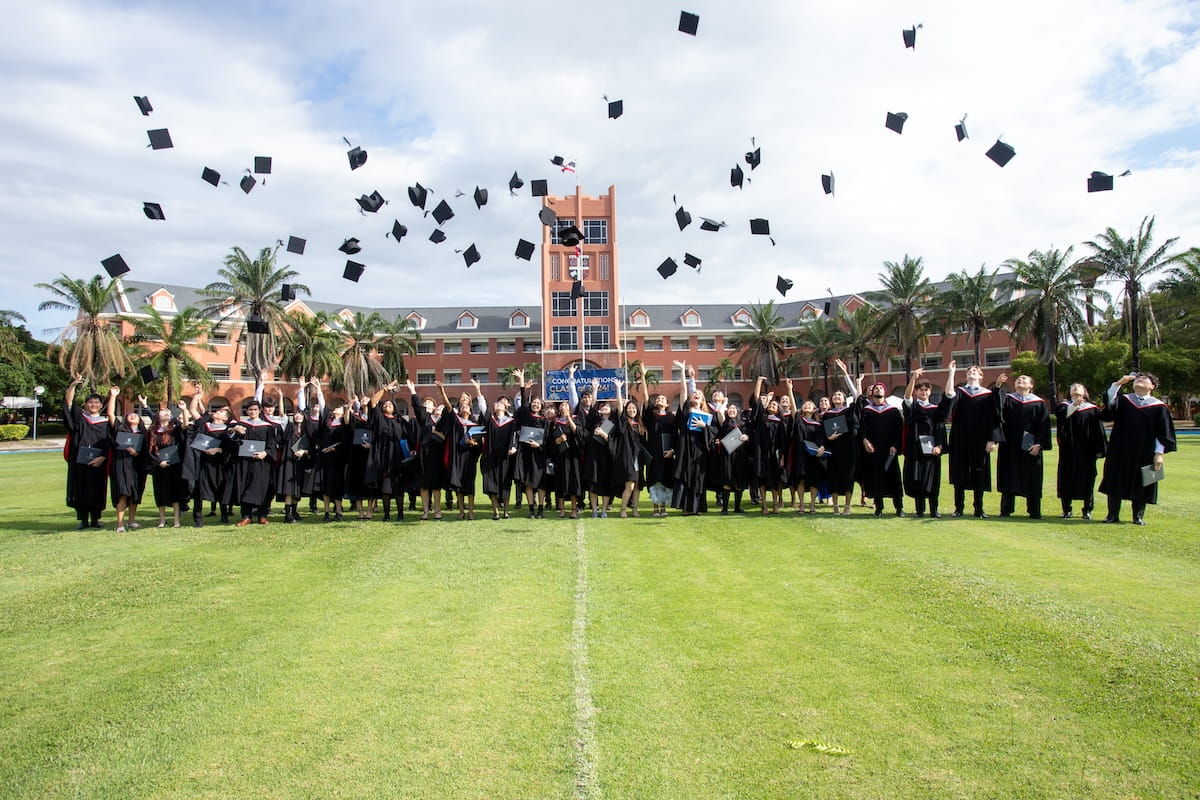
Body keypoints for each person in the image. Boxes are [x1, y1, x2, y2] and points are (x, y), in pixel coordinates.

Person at [1099, 372, 1175, 525]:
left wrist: (1159, 454)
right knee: (1115, 478)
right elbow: (1109, 406)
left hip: (1145, 451)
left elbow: (1163, 433)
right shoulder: (1124, 400)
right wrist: (1118, 383)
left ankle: (1138, 516)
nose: (1139, 380)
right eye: (1137, 378)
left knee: (1145, 480)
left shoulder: (1159, 407)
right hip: (1120, 448)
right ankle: (1112, 515)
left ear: (1152, 387)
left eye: (1144, 379)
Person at [946, 364, 1003, 518]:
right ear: (966, 376)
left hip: (980, 440)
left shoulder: (988, 394)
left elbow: (994, 417)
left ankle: (978, 508)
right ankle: (959, 508)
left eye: (975, 371)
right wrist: (951, 373)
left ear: (981, 376)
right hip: (960, 438)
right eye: (969, 371)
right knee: (959, 473)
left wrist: (992, 439)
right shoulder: (960, 391)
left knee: (979, 472)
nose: (972, 372)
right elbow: (949, 393)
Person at [994, 373, 1052, 519]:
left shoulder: (1039, 403)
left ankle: (1034, 511)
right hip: (1010, 445)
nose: (1020, 380)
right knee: (1008, 475)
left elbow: (1044, 425)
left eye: (1024, 379)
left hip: (1031, 445)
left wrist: (1039, 443)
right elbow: (995, 409)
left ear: (1031, 385)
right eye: (1018, 379)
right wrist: (998, 387)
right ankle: (1005, 510)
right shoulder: (1007, 399)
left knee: (1032, 476)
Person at [902, 366, 954, 518]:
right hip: (915, 450)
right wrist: (913, 378)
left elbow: (940, 428)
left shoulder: (936, 410)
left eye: (926, 390)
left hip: (932, 450)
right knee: (917, 478)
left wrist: (939, 446)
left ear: (930, 392)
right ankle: (919, 510)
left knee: (933, 480)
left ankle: (934, 510)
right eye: (920, 390)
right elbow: (906, 397)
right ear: (916, 392)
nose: (923, 392)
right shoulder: (913, 408)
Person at [63, 375, 112, 530]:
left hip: (99, 462)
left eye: (96, 402)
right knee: (80, 487)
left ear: (101, 405)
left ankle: (95, 519)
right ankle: (83, 519)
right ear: (86, 404)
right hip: (80, 461)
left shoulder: (105, 423)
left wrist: (103, 457)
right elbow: (68, 404)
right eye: (90, 402)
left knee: (97, 488)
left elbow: (109, 443)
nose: (93, 405)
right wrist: (73, 386)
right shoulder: (80, 419)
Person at [1053, 382, 1107, 519]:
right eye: (1073, 387)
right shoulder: (1064, 406)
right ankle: (1067, 509)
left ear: (1085, 392)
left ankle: (1087, 510)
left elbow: (1099, 431)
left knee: (1088, 479)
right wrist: (1074, 405)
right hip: (1068, 449)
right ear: (1069, 392)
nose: (1076, 388)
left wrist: (1100, 449)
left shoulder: (1092, 409)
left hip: (1087, 451)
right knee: (1066, 478)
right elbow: (1062, 419)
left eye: (1079, 387)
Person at [671, 361, 716, 515]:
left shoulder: (707, 416)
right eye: (695, 394)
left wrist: (705, 427)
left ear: (702, 400)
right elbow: (684, 391)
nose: (696, 395)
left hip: (699, 449)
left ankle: (697, 508)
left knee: (698, 477)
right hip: (685, 448)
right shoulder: (685, 411)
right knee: (685, 476)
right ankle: (685, 507)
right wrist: (683, 372)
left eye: (699, 395)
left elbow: (714, 431)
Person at [187, 387, 235, 527]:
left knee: (221, 488)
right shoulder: (205, 425)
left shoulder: (227, 430)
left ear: (225, 418)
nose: (217, 412)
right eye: (217, 410)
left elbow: (231, 449)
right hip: (204, 463)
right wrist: (197, 395)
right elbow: (193, 411)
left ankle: (224, 515)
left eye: (221, 412)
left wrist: (219, 449)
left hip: (219, 464)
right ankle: (198, 518)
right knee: (200, 490)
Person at [857, 379, 904, 517]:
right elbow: (862, 430)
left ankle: (899, 508)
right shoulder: (866, 411)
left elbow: (898, 431)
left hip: (889, 451)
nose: (878, 390)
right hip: (873, 450)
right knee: (876, 478)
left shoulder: (893, 411)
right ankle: (879, 508)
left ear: (885, 392)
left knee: (893, 478)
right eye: (876, 388)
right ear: (872, 393)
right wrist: (865, 441)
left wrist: (895, 446)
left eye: (880, 388)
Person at [107, 386, 149, 532]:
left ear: (140, 420)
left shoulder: (144, 434)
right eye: (130, 415)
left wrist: (136, 453)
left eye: (136, 415)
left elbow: (145, 452)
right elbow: (111, 414)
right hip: (121, 465)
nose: (132, 415)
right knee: (123, 493)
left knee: (134, 493)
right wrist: (113, 396)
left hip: (137, 467)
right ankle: (120, 524)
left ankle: (131, 521)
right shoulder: (120, 429)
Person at [230, 399, 278, 526]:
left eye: (255, 410)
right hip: (245, 463)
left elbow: (272, 445)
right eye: (250, 410)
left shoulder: (267, 427)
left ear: (260, 411)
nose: (253, 412)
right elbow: (231, 441)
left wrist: (265, 453)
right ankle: (246, 516)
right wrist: (234, 430)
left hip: (262, 463)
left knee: (262, 488)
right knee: (245, 487)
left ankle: (262, 515)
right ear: (247, 411)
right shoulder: (241, 425)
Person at [821, 360, 859, 515]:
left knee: (848, 477)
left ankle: (847, 506)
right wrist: (828, 439)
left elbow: (857, 396)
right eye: (834, 395)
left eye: (839, 395)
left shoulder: (849, 411)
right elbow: (823, 433)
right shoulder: (827, 415)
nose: (836, 396)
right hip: (834, 449)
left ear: (844, 399)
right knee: (834, 477)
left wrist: (845, 374)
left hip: (848, 448)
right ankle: (836, 506)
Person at [148, 400, 190, 528]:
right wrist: (159, 462)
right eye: (162, 411)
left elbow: (186, 425)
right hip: (159, 466)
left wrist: (183, 409)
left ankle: (176, 520)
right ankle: (162, 520)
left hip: (174, 465)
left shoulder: (174, 429)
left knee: (175, 493)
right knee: (160, 493)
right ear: (157, 416)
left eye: (167, 412)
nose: (165, 413)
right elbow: (148, 450)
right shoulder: (152, 431)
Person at [749, 376, 787, 515]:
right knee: (762, 479)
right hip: (761, 453)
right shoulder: (761, 418)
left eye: (775, 405)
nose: (772, 406)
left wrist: (782, 456)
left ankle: (775, 504)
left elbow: (783, 441)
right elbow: (757, 398)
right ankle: (764, 505)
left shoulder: (780, 422)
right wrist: (758, 381)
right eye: (771, 404)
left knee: (775, 479)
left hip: (774, 454)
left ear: (778, 410)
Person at [640, 372, 676, 517]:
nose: (660, 399)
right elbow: (645, 395)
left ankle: (663, 508)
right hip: (653, 453)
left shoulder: (672, 418)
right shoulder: (651, 415)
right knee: (654, 480)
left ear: (667, 404)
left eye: (663, 398)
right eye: (658, 398)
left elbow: (675, 436)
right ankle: (655, 508)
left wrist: (673, 451)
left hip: (666, 453)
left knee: (665, 479)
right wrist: (643, 376)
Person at [611, 389, 646, 518]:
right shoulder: (624, 423)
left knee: (637, 486)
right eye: (629, 408)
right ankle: (623, 509)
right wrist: (618, 392)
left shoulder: (640, 424)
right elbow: (620, 408)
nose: (632, 410)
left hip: (638, 458)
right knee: (629, 485)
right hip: (627, 457)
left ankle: (635, 509)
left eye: (634, 408)